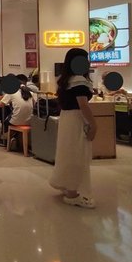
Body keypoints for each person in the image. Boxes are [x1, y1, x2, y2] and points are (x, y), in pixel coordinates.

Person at [49, 48, 97, 209]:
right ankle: (72, 193)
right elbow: (83, 105)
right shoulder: (79, 81)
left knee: (67, 152)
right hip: (76, 119)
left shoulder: (66, 80)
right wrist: (93, 124)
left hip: (66, 118)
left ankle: (66, 185)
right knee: (78, 154)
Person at [0, 74, 35, 147]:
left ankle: (5, 140)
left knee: (5, 121)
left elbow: (0, 105)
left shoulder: (11, 92)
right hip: (29, 121)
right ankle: (15, 138)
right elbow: (33, 104)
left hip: (16, 121)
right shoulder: (30, 93)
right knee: (14, 116)